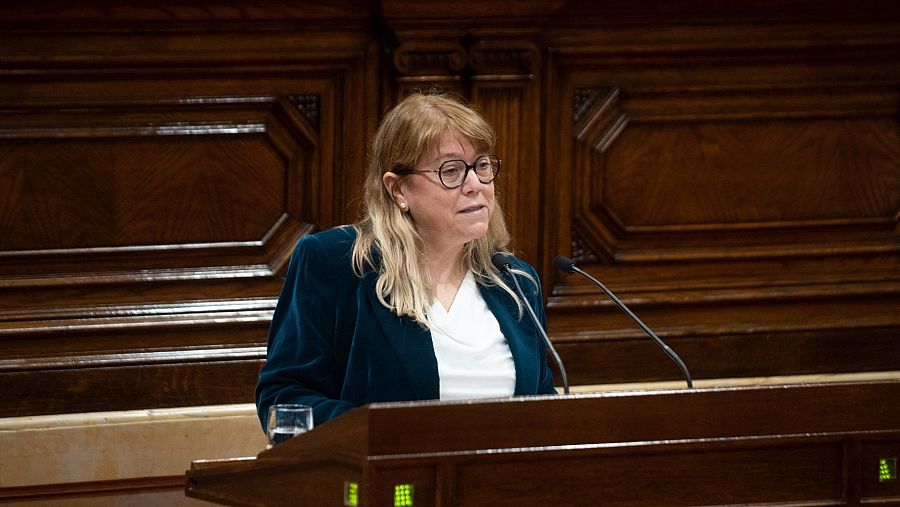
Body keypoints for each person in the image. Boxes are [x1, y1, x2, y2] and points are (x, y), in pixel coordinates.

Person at [255, 92, 557, 429]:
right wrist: (386, 435)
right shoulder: (336, 263)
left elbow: (542, 404)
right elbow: (284, 397)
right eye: (452, 171)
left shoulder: (514, 282)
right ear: (398, 190)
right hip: (390, 481)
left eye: (482, 165)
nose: (476, 185)